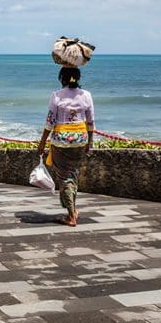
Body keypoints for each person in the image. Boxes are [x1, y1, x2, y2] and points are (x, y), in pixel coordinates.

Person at [37, 66, 95, 227]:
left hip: (61, 141)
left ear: (62, 78)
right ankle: (73, 209)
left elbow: (50, 122)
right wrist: (89, 142)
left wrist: (42, 142)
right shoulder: (86, 96)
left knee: (64, 177)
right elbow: (90, 122)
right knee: (73, 174)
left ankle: (71, 216)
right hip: (81, 139)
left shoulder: (56, 95)